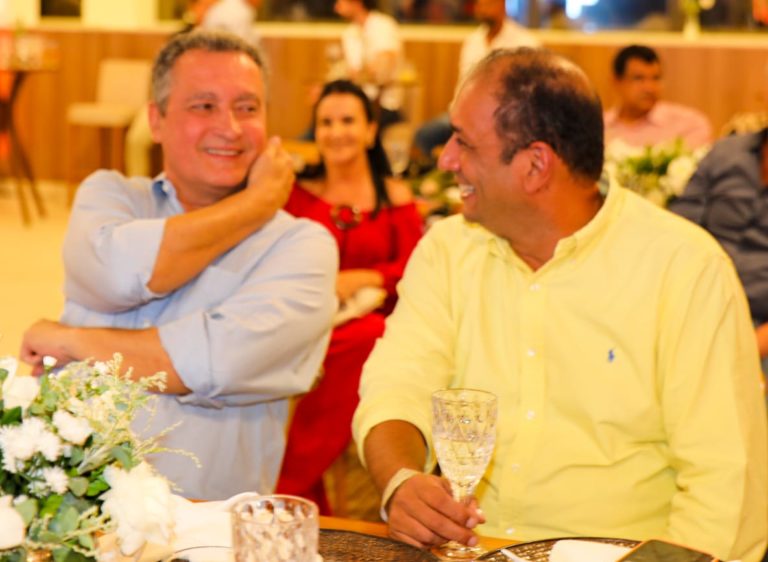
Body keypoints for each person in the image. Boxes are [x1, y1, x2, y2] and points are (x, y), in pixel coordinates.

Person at [352, 48, 768, 562]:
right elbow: (397, 384)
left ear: (535, 166)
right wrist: (401, 481)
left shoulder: (685, 270)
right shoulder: (449, 251)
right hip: (470, 551)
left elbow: (724, 492)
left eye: (465, 142)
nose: (446, 160)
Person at [20, 30, 338, 501]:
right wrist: (255, 204)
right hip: (65, 512)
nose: (230, 127)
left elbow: (210, 362)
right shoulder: (110, 198)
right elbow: (117, 276)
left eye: (247, 107)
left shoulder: (300, 246)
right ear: (156, 120)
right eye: (203, 106)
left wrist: (71, 341)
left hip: (205, 525)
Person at [276, 79, 423, 513]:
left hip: (369, 328)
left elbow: (416, 270)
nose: (337, 131)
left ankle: (294, 480)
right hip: (303, 323)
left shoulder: (394, 198)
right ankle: (298, 483)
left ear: (370, 130)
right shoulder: (294, 196)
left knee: (368, 335)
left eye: (347, 121)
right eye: (326, 122)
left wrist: (364, 276)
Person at [669, 128, 768, 373]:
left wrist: (749, 347)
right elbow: (677, 227)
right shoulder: (727, 152)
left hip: (759, 323)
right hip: (696, 300)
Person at [413, 0, 540, 164]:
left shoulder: (525, 42)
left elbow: (527, 96)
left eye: (488, 4)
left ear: (502, 4)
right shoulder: (473, 41)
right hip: (464, 115)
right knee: (424, 136)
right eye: (480, 4)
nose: (483, 9)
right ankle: (448, 170)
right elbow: (462, 85)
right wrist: (456, 113)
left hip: (503, 119)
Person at [604, 44, 712, 150]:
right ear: (616, 81)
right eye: (638, 78)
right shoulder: (601, 127)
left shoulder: (689, 125)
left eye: (656, 78)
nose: (649, 88)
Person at [333, 0, 405, 131]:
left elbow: (382, 71)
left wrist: (358, 74)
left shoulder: (383, 26)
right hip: (356, 102)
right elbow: (348, 72)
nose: (336, 6)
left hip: (383, 105)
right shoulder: (349, 33)